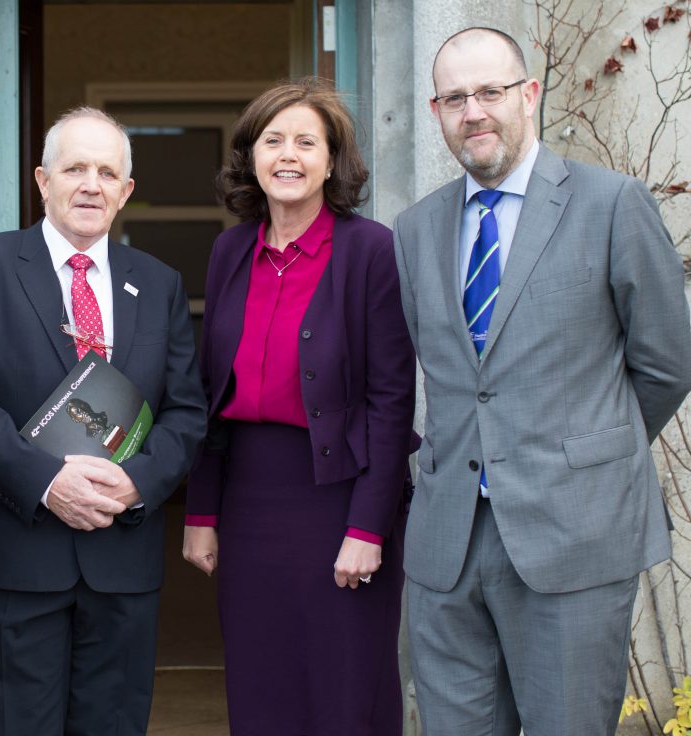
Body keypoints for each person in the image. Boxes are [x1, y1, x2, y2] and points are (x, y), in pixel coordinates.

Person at [393, 27, 691, 736]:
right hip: (449, 545)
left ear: (528, 95)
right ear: (436, 111)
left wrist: (579, 454)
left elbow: (667, 363)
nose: (474, 112)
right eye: (456, 98)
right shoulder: (414, 228)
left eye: (491, 91)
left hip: (573, 534)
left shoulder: (611, 204)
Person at [0, 107, 206, 735]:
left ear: (126, 191)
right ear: (42, 180)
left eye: (108, 172)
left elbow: (186, 410)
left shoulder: (159, 283)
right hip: (16, 554)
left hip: (123, 557)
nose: (92, 184)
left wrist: (140, 481)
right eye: (76, 168)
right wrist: (45, 482)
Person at [182, 77, 417, 735]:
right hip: (250, 505)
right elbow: (209, 392)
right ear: (252, 156)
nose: (288, 155)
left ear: (331, 159)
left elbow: (391, 400)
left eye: (306, 142)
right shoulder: (232, 250)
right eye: (273, 140)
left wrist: (368, 528)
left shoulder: (370, 251)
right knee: (262, 691)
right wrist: (201, 511)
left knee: (345, 693)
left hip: (339, 502)